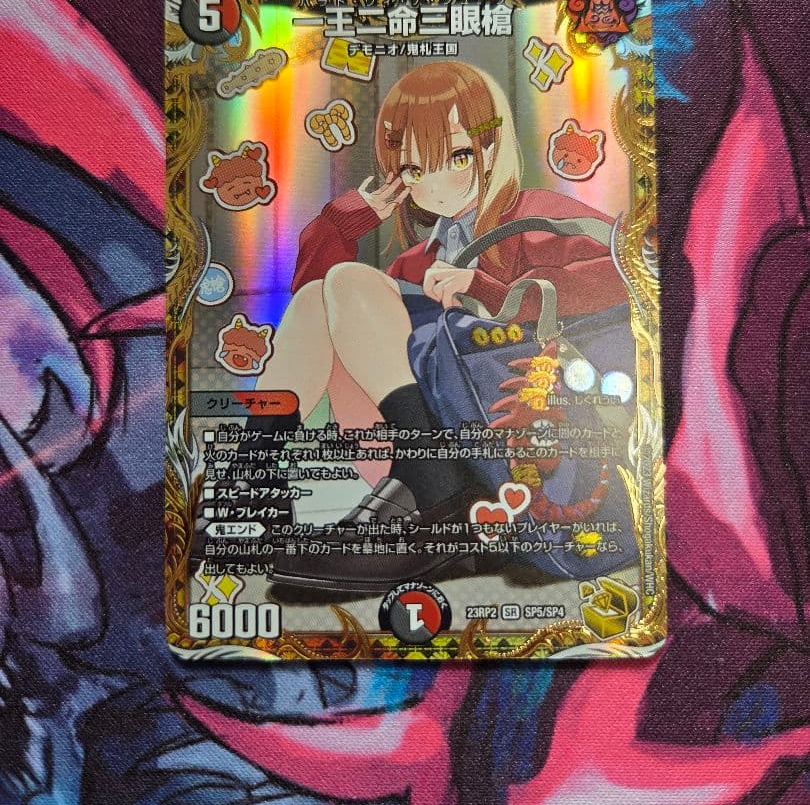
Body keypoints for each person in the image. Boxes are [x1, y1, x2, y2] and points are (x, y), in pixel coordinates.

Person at [257, 60, 626, 594]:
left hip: (515, 448)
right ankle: (253, 478)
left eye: (455, 156)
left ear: (491, 148)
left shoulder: (535, 217)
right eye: (413, 168)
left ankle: (433, 493)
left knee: (350, 284)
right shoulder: (417, 261)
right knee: (327, 293)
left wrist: (490, 290)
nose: (434, 182)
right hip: (420, 452)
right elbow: (310, 300)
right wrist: (348, 219)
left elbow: (627, 271)